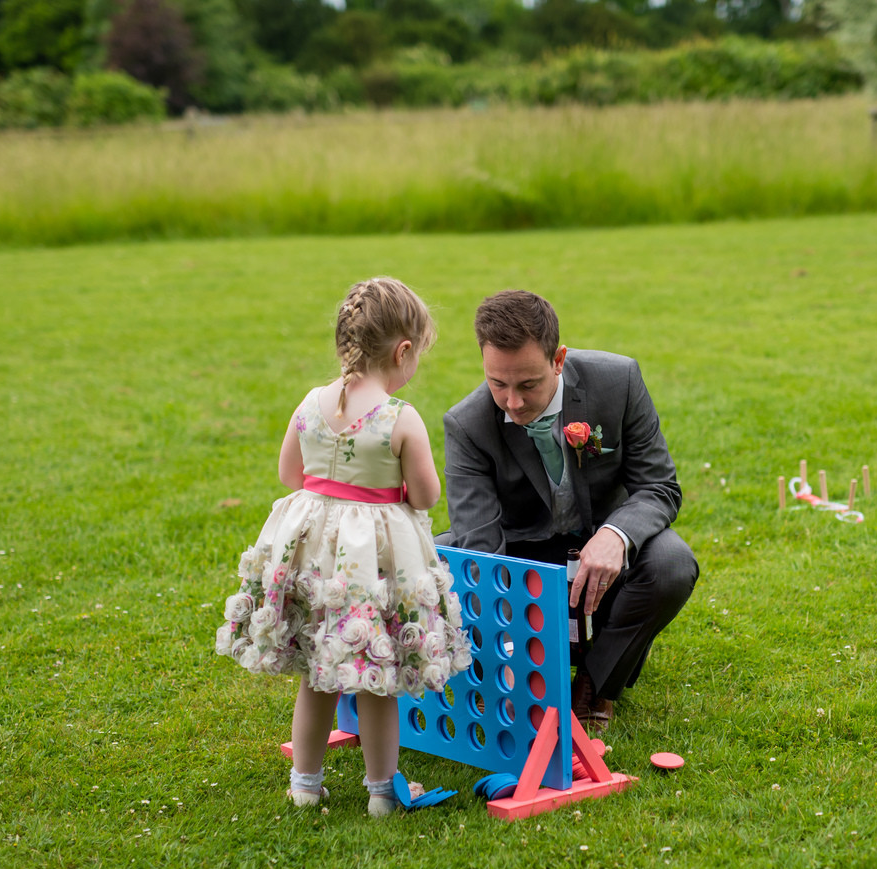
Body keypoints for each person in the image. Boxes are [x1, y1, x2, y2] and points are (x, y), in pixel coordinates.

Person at [215, 277, 471, 817]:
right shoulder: (401, 419)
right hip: (372, 563)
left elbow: (291, 473)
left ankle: (305, 784)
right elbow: (425, 495)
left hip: (314, 553)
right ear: (403, 351)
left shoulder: (311, 402)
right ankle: (382, 792)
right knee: (377, 678)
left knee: (317, 673)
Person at [439, 290, 698, 733]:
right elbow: (482, 547)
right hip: (522, 550)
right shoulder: (467, 424)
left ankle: (596, 683)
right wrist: (507, 654)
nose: (513, 403)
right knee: (437, 555)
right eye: (497, 384)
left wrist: (617, 535)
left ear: (558, 359)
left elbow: (659, 486)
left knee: (672, 563)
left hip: (602, 548)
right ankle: (520, 670)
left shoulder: (619, 381)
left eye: (528, 384)